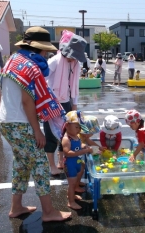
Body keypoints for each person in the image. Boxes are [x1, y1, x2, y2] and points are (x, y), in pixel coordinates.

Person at [0, 26, 71, 221]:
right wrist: (38, 131)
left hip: (6, 121)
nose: (46, 53)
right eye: (45, 50)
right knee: (39, 165)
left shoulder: (13, 61)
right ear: (38, 49)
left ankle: (16, 206)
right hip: (21, 123)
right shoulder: (30, 66)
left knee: (21, 164)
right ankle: (48, 212)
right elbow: (27, 100)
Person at [45, 30, 87, 175]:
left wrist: (74, 106)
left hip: (67, 103)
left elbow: (74, 86)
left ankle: (61, 159)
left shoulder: (76, 64)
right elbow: (42, 80)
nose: (72, 59)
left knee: (66, 133)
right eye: (71, 56)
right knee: (50, 135)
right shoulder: (54, 61)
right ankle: (52, 166)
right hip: (51, 103)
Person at [61, 111, 93, 210]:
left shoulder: (75, 136)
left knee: (74, 182)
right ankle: (71, 202)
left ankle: (72, 195)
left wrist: (84, 146)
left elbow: (78, 146)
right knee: (71, 184)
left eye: (79, 127)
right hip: (70, 164)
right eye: (76, 127)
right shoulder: (66, 139)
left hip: (76, 162)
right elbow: (67, 153)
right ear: (67, 126)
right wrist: (83, 151)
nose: (79, 129)